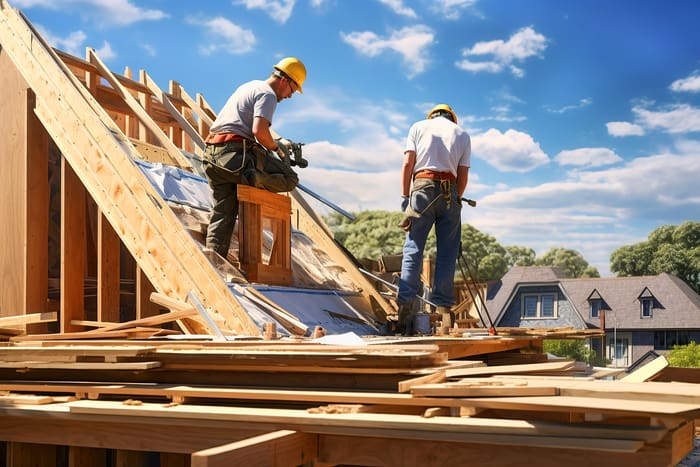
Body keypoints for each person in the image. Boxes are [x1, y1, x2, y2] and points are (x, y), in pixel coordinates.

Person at [203, 57, 306, 258]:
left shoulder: (250, 86)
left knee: (224, 212)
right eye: (293, 90)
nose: (290, 96)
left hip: (212, 157)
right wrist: (276, 148)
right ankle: (254, 178)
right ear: (285, 80)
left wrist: (275, 143)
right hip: (234, 156)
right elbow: (259, 131)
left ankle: (214, 261)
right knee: (290, 178)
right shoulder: (268, 95)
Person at [396, 104, 471, 335]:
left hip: (422, 188)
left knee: (414, 247)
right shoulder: (462, 134)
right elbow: (463, 175)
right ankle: (444, 310)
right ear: (452, 118)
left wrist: (406, 196)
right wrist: (456, 201)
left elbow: (409, 163)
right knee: (447, 253)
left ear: (432, 115)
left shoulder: (418, 127)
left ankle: (405, 308)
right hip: (451, 191)